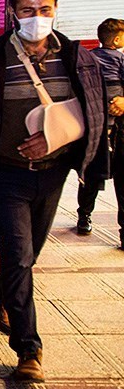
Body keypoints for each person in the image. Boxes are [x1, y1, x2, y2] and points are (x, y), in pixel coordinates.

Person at [0, 0, 108, 383]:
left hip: (52, 175)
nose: (36, 18)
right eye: (27, 11)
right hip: (4, 176)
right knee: (19, 255)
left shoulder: (76, 58)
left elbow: (94, 115)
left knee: (29, 255)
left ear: (55, 10)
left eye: (44, 10)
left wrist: (69, 151)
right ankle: (28, 348)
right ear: (12, 13)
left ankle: (2, 296)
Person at [76, 18, 124, 245]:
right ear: (116, 39)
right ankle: (85, 215)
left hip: (102, 127)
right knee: (95, 175)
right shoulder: (119, 59)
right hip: (104, 126)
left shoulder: (89, 58)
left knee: (92, 175)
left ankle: (84, 216)